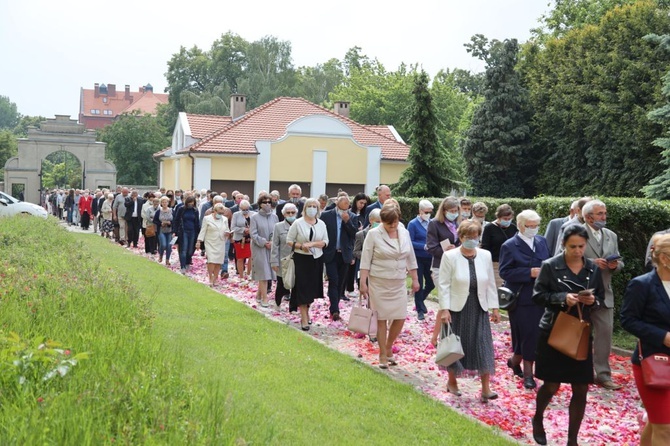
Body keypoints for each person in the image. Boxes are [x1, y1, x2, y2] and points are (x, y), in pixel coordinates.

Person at [531, 225, 605, 446]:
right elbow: (538, 295)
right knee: (551, 385)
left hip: (581, 331)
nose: (577, 250)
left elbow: (601, 297)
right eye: (573, 246)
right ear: (563, 244)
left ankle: (572, 439)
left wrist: (593, 301)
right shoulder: (550, 266)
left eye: (581, 246)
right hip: (554, 330)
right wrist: (563, 297)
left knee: (581, 386)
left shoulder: (592, 269)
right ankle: (538, 418)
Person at [432, 219, 500, 402]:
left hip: (479, 306)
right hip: (457, 308)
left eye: (475, 237)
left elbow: (490, 283)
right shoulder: (450, 256)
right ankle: (452, 381)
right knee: (456, 346)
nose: (472, 240)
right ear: (461, 237)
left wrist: (495, 307)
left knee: (483, 345)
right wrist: (444, 309)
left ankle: (486, 388)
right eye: (468, 237)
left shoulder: (485, 255)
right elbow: (444, 285)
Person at [621, 233, 670, 446]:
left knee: (658, 421)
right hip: (654, 362)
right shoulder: (642, 285)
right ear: (665, 259)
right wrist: (663, 336)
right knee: (665, 427)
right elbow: (628, 320)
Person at [360, 201, 419, 368]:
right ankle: (382, 353)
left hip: (399, 281)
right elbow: (365, 259)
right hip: (379, 281)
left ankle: (388, 346)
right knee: (381, 318)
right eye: (388, 223)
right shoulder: (373, 234)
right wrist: (363, 282)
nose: (392, 226)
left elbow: (411, 257)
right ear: (382, 221)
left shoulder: (404, 232)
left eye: (395, 222)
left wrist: (415, 278)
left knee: (400, 316)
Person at [499, 210, 550, 389]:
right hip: (521, 297)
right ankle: (528, 373)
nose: (534, 229)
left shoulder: (542, 241)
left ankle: (514, 361)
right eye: (530, 226)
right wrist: (529, 272)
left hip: (541, 295)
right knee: (527, 334)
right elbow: (504, 272)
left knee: (536, 334)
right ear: (521, 226)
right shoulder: (510, 245)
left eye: (536, 225)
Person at [581, 199, 624, 390]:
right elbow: (562, 259)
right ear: (588, 216)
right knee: (579, 334)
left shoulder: (611, 235)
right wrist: (591, 262)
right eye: (600, 214)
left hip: (605, 293)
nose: (604, 217)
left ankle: (603, 374)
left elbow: (620, 261)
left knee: (604, 334)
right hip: (581, 292)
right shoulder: (575, 233)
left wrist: (615, 266)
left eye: (605, 213)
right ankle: (580, 372)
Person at [286, 198, 329, 330]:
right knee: (302, 288)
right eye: (309, 206)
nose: (312, 208)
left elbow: (325, 241)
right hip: (301, 259)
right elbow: (289, 240)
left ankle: (308, 311)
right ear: (305, 208)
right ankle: (304, 317)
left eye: (314, 206)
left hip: (316, 259)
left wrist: (313, 244)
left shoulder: (321, 224)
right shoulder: (298, 223)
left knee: (312, 290)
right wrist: (300, 246)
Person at [321, 195, 359, 320]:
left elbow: (354, 234)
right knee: (334, 280)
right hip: (331, 253)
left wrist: (347, 221)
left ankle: (335, 305)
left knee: (340, 283)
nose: (344, 210)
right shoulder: (327, 215)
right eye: (342, 207)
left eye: (347, 207)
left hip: (344, 254)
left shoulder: (353, 217)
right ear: (337, 204)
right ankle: (335, 309)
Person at [408, 199, 435, 321]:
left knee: (431, 283)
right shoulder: (413, 224)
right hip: (418, 257)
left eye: (430, 212)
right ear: (420, 211)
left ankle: (420, 302)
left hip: (430, 257)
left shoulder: (432, 223)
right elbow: (410, 241)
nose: (428, 214)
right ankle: (420, 310)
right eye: (426, 212)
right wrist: (422, 246)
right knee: (419, 283)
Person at [250, 193, 278, 306]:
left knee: (269, 273)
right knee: (264, 273)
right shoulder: (254, 217)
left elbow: (276, 232)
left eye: (269, 202)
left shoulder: (275, 217)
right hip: (259, 248)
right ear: (260, 204)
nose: (267, 204)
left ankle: (258, 294)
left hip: (271, 248)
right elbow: (253, 233)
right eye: (264, 202)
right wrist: (264, 242)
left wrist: (272, 242)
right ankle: (265, 298)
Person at [481, 204, 517, 287]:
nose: (507, 221)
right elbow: (485, 247)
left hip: (511, 264)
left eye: (509, 219)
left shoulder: (513, 227)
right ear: (499, 217)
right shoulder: (489, 228)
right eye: (505, 219)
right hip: (495, 264)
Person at [426, 196, 461, 282]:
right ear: (444, 211)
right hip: (440, 265)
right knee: (444, 294)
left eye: (456, 211)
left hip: (456, 265)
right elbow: (431, 247)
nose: (454, 213)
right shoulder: (434, 224)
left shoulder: (457, 224)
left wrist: (457, 249)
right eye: (451, 211)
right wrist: (447, 251)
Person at [270, 203, 298, 307]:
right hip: (283, 260)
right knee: (281, 283)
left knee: (296, 284)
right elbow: (275, 245)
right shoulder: (278, 226)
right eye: (288, 213)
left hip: (298, 259)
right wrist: (274, 261)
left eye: (293, 212)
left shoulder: (300, 224)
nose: (291, 214)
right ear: (284, 214)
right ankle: (277, 303)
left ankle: (293, 307)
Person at [196, 203, 229, 287]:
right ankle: (210, 277)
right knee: (211, 260)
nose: (220, 215)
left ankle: (215, 278)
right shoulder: (207, 218)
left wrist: (227, 234)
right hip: (210, 242)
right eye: (219, 213)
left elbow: (227, 229)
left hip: (220, 242)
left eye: (222, 213)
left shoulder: (225, 219)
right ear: (214, 211)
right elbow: (203, 230)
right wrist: (199, 241)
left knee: (218, 261)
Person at [173, 196, 200, 274]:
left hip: (193, 231)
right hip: (183, 231)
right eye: (189, 203)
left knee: (190, 250)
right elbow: (176, 220)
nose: (191, 204)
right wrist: (175, 231)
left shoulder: (195, 210)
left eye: (192, 203)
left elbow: (197, 222)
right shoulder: (181, 209)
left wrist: (198, 234)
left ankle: (188, 261)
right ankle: (183, 266)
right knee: (183, 249)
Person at [231, 200, 255, 279]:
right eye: (243, 209)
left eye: (246, 209)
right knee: (240, 258)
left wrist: (251, 230)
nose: (245, 211)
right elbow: (233, 228)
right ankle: (241, 275)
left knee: (251, 257)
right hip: (239, 239)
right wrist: (243, 229)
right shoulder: (236, 215)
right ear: (240, 208)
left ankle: (248, 274)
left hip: (251, 239)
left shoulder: (254, 214)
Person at [153, 196, 174, 266]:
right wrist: (160, 223)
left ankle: (167, 259)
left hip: (169, 230)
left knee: (169, 246)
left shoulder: (172, 210)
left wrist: (170, 223)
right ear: (161, 203)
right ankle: (161, 255)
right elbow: (155, 220)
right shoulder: (159, 211)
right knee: (163, 244)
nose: (164, 203)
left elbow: (175, 220)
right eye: (163, 202)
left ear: (168, 203)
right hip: (161, 230)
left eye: (166, 202)